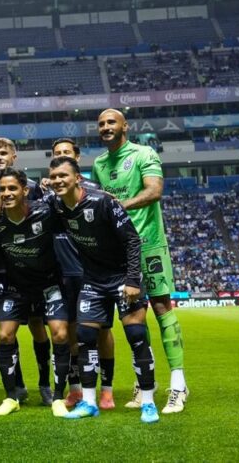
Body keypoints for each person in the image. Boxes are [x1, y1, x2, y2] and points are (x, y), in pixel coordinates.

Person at [46, 157, 159, 424]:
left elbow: (132, 239)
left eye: (63, 175)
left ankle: (149, 402)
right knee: (85, 337)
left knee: (136, 335)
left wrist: (132, 280)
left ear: (77, 178)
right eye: (54, 177)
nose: (58, 181)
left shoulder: (103, 202)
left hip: (122, 277)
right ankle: (88, 401)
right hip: (93, 279)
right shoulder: (56, 205)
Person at [92, 109, 188, 414]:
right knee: (135, 316)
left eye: (111, 122)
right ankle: (145, 381)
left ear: (125, 126)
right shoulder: (98, 164)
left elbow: (154, 190)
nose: (106, 127)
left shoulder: (144, 153)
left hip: (149, 244)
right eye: (101, 124)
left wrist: (121, 204)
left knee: (161, 307)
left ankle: (178, 384)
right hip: (119, 250)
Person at [0, 168, 70, 416]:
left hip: (49, 284)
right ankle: (12, 395)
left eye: (12, 188)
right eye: (2, 189)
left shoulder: (45, 213)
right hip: (16, 287)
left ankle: (57, 395)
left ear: (25, 191)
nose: (6, 193)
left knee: (59, 333)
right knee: (5, 336)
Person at [0, 137, 52, 406]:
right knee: (6, 330)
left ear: (14, 156)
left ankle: (45, 383)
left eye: (3, 153)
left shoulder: (34, 187)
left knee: (37, 326)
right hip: (1, 269)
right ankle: (18, 385)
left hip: (34, 269)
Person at [48, 138, 117, 410]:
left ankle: (107, 390)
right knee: (72, 333)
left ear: (77, 158)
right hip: (63, 274)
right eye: (57, 154)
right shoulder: (51, 194)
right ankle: (76, 389)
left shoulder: (96, 193)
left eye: (67, 153)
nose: (62, 155)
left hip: (92, 272)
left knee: (102, 332)